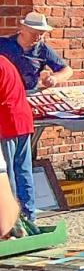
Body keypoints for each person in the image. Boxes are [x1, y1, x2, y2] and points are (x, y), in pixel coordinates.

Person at [0, 54, 34, 234]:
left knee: (6, 174)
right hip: (22, 120)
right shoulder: (5, 61)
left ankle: (13, 222)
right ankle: (29, 215)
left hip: (6, 123)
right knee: (23, 170)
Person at [0, 12, 73, 93]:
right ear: (22, 29)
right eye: (33, 33)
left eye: (41, 34)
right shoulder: (3, 44)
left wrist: (54, 78)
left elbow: (67, 70)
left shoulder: (43, 49)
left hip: (28, 93)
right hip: (4, 93)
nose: (38, 37)